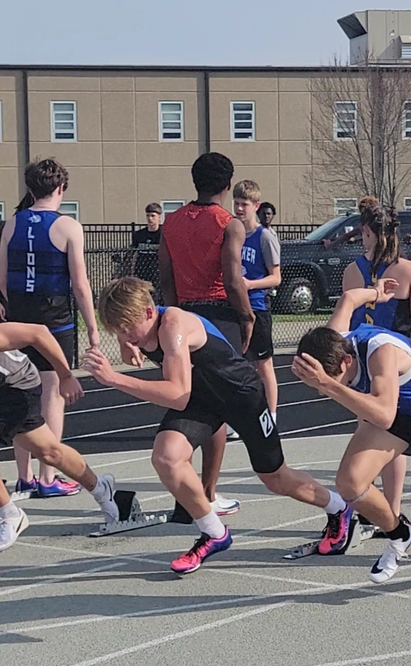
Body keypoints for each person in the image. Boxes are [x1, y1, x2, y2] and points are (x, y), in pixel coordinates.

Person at [83, 277, 352, 576]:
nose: (126, 337)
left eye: (127, 330)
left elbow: (177, 394)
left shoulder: (172, 326)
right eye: (118, 331)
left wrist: (114, 379)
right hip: (204, 399)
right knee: (166, 457)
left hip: (241, 396)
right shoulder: (139, 323)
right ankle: (214, 532)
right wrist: (125, 342)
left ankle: (338, 507)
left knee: (275, 478)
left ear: (148, 313)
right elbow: (183, 392)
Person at [293, 278, 411, 584]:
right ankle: (401, 534)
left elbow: (385, 412)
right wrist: (377, 293)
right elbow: (349, 299)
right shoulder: (334, 338)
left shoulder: (381, 351)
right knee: (350, 483)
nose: (324, 389)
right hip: (396, 418)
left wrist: (327, 385)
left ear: (347, 361)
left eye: (331, 380)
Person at [158, 152, 256, 519]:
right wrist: (247, 318)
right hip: (218, 316)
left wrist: (172, 317)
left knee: (191, 398)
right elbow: (232, 281)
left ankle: (188, 491)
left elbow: (166, 278)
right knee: (219, 405)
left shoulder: (172, 221)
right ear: (228, 186)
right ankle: (207, 493)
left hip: (183, 312)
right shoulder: (229, 223)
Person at [0, 158, 100, 498]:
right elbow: (80, 284)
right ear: (61, 188)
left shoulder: (12, 224)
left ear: (30, 189)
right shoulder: (69, 226)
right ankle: (47, 478)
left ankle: (24, 476)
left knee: (18, 395)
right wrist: (93, 329)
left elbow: (1, 278)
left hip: (16, 318)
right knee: (52, 397)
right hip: (54, 321)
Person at [336, 200, 411, 551]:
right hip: (399, 367)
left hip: (361, 366)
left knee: (367, 432)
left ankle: (371, 511)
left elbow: (344, 324)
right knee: (395, 440)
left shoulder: (352, 272)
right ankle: (390, 510)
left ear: (369, 232)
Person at [0, 321, 118, 551]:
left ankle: (10, 515)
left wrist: (65, 376)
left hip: (16, 386)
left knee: (48, 452)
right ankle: (100, 488)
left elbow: (39, 332)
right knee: (49, 452)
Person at [233, 180, 281, 424]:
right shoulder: (232, 233)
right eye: (237, 203)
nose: (239, 209)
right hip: (235, 308)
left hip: (258, 307)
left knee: (263, 365)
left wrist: (250, 284)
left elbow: (276, 277)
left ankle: (271, 416)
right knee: (237, 366)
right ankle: (241, 417)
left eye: (244, 204)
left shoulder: (264, 237)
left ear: (256, 206)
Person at [130, 203, 162, 283]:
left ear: (159, 217)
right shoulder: (139, 235)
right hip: (142, 272)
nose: (150, 218)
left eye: (153, 216)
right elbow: (133, 254)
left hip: (158, 272)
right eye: (148, 216)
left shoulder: (164, 234)